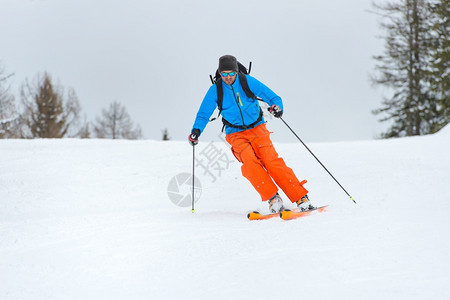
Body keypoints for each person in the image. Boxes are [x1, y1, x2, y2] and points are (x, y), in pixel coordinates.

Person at [188, 55, 314, 213]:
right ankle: (273, 198)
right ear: (220, 73)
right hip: (235, 133)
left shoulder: (247, 81)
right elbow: (204, 113)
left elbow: (273, 97)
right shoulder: (216, 89)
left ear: (236, 71)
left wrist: (277, 107)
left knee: (271, 161)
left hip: (257, 128)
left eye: (231, 73)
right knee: (249, 162)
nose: (227, 77)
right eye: (224, 74)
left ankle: (301, 197)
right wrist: (196, 131)